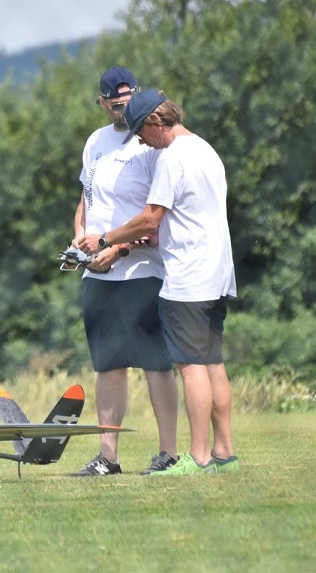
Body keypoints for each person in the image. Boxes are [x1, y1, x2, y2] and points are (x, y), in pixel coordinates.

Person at [91, 89, 239, 475]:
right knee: (214, 363)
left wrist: (106, 239)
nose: (140, 140)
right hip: (219, 270)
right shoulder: (206, 149)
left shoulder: (172, 158)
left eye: (142, 131)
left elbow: (150, 218)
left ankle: (199, 458)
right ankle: (225, 454)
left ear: (157, 122)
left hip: (188, 274)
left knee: (191, 366)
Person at [68, 67, 180, 477]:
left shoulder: (149, 141)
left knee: (156, 364)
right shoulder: (95, 141)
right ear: (100, 103)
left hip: (142, 273)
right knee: (107, 366)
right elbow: (87, 196)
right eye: (114, 104)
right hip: (97, 275)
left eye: (127, 101)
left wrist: (117, 248)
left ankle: (168, 452)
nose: (122, 110)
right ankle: (107, 457)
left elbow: (156, 214)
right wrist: (80, 236)